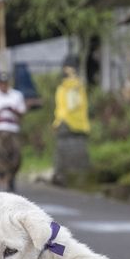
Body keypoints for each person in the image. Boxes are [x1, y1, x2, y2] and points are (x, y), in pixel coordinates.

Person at [53, 55, 90, 184]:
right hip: (68, 124)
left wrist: (60, 120)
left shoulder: (73, 86)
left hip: (70, 124)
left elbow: (73, 105)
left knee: (68, 155)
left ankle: (67, 177)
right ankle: (62, 177)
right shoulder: (67, 86)